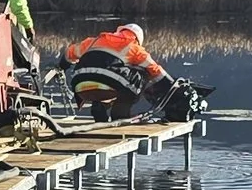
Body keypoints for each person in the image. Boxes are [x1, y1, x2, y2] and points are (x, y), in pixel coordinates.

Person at [63, 22, 195, 122]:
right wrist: (173, 86)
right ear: (137, 39)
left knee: (106, 79)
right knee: (141, 74)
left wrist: (61, 66)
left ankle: (99, 109)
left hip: (80, 86)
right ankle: (120, 114)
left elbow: (69, 54)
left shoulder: (92, 41)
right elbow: (155, 71)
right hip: (107, 83)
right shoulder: (134, 48)